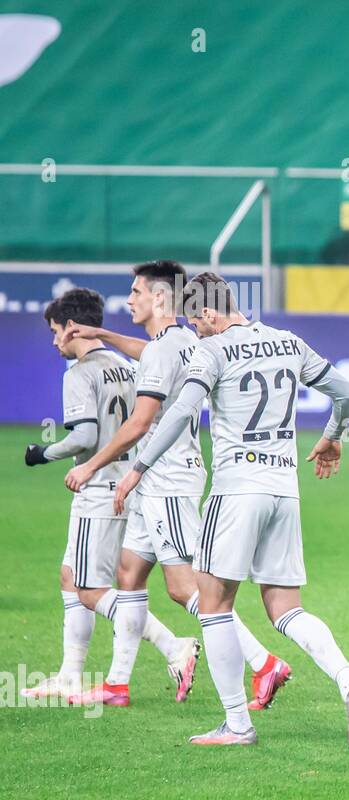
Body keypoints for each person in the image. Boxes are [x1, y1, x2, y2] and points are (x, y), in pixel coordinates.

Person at [115, 272, 349, 747]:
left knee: (213, 604)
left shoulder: (212, 351)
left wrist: (138, 469)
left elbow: (177, 413)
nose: (196, 332)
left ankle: (237, 724)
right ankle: (348, 681)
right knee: (285, 609)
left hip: (235, 491)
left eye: (196, 323)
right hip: (284, 491)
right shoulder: (287, 341)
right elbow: (347, 395)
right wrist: (333, 437)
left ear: (208, 314)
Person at [63, 261, 289, 709]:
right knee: (129, 575)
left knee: (186, 587)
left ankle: (264, 663)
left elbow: (141, 421)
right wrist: (103, 335)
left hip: (168, 479)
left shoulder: (168, 347)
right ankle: (117, 684)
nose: (129, 300)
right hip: (162, 479)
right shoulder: (183, 338)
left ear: (159, 298)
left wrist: (92, 467)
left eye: (136, 292)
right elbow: (147, 352)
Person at [22, 290, 198, 703]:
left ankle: (174, 645)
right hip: (127, 486)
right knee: (72, 575)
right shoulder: (126, 366)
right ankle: (70, 675)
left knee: (88, 588)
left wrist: (43, 454)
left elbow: (84, 436)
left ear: (72, 328)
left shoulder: (79, 373)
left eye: (55, 332)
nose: (53, 342)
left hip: (98, 488)